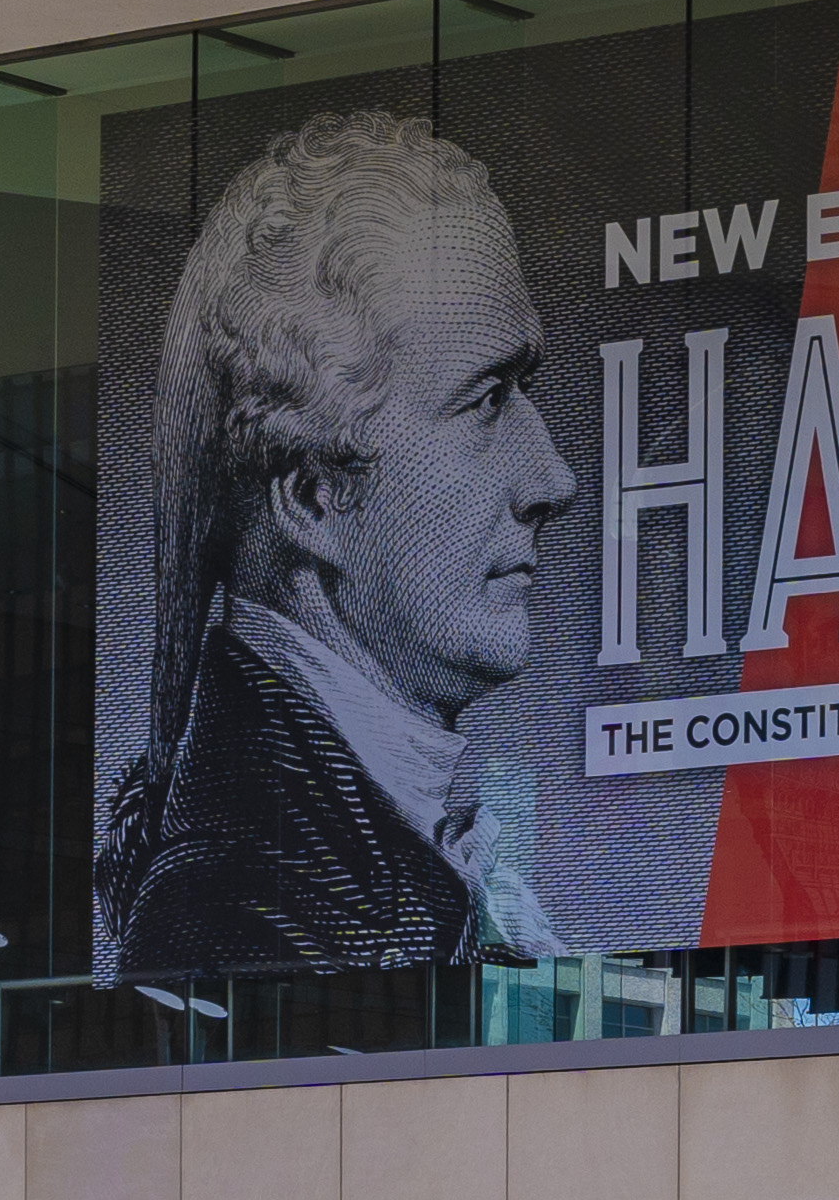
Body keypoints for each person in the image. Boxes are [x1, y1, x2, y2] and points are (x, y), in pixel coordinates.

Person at [97, 110, 585, 977]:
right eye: (485, 401)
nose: (552, 479)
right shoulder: (244, 916)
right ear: (315, 496)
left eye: (528, 388)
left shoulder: (340, 863)